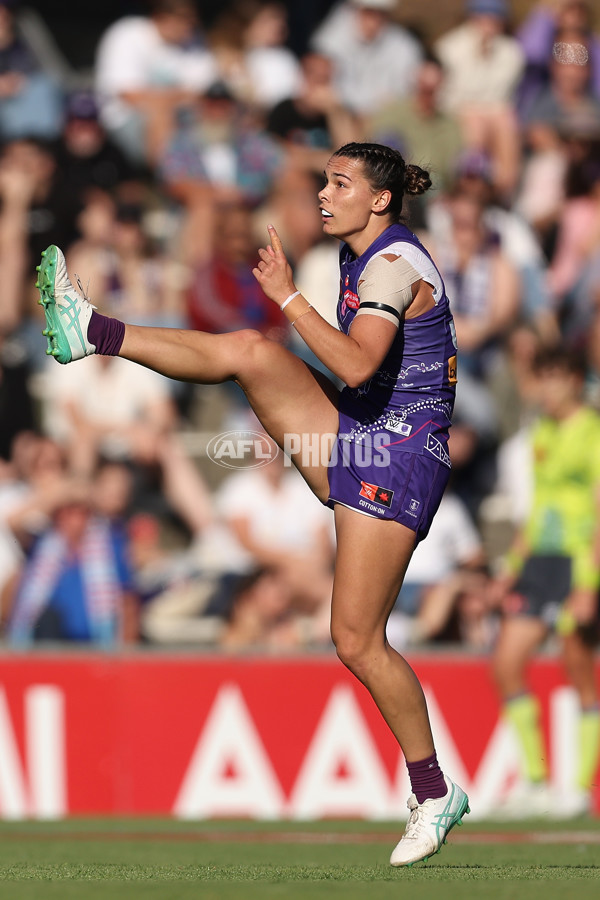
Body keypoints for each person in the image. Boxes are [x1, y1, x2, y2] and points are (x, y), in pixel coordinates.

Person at [36, 141, 468, 866]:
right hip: (363, 432)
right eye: (323, 182)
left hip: (398, 457)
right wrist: (288, 305)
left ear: (382, 199)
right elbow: (361, 376)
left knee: (356, 640)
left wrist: (289, 298)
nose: (323, 195)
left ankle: (434, 791)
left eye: (339, 184)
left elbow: (358, 362)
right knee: (250, 351)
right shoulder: (358, 257)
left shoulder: (393, 265)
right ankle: (93, 332)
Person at [491, 349, 600, 819]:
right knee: (506, 662)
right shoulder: (543, 432)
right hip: (539, 562)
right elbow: (536, 508)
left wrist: (588, 585)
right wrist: (512, 568)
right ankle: (535, 782)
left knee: (578, 668)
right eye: (543, 378)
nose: (548, 388)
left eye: (557, 378)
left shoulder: (592, 433)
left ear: (577, 381)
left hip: (578, 564)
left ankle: (577, 789)